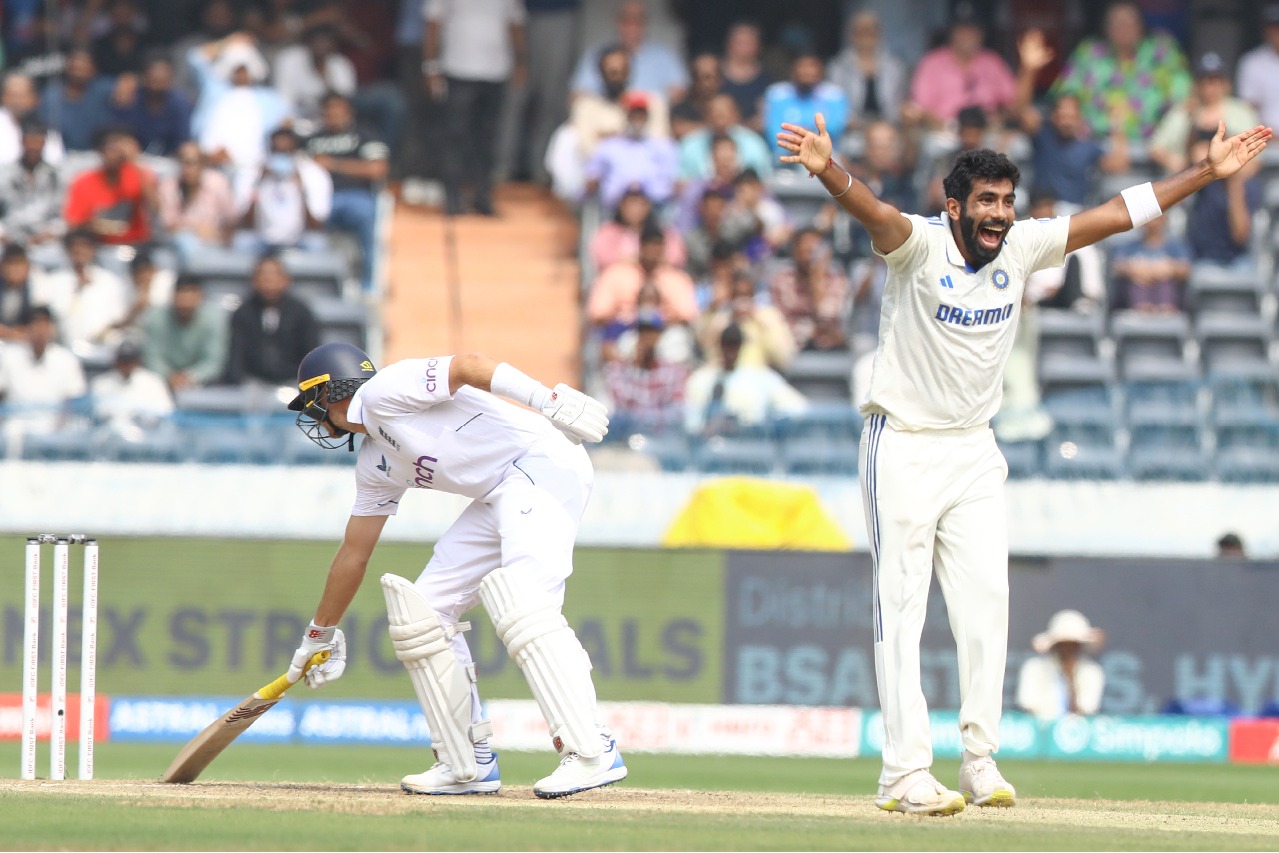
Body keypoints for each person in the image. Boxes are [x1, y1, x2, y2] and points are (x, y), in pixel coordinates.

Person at [776, 109, 1270, 814]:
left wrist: (1205, 173)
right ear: (953, 207)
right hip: (903, 443)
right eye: (985, 201)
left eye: (1006, 202)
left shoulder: (1022, 246)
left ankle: (978, 758)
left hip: (975, 446)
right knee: (901, 606)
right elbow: (873, 210)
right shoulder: (916, 245)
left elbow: (1115, 213)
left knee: (987, 606)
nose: (1000, 215)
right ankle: (903, 773)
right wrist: (827, 168)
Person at [280, 340, 627, 798]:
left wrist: (550, 400)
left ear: (328, 393)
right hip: (499, 492)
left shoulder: (386, 390)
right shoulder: (374, 462)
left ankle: (591, 750)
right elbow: (354, 553)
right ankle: (467, 763)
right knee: (425, 613)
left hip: (543, 465)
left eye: (312, 404)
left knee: (526, 602)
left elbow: (469, 366)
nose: (314, 417)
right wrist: (318, 633)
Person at [423, 0, 527, 217]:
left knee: (487, 138)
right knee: (455, 136)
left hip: (496, 71)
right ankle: (453, 197)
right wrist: (430, 65)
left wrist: (520, 62)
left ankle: (482, 196)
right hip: (457, 69)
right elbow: (433, 23)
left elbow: (515, 23)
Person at [1049, 1, 1190, 142]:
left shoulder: (1162, 50)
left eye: (1129, 22)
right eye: (1116, 23)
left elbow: (1186, 95)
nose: (1123, 28)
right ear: (1106, 27)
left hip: (1154, 146)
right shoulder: (1089, 52)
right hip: (1092, 143)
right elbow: (1065, 93)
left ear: (1140, 25)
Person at [305, 92, 390, 291]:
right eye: (328, 109)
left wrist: (333, 164)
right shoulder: (312, 140)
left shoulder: (365, 135)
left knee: (366, 219)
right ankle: (317, 283)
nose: (333, 113)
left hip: (357, 195)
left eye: (338, 108)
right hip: (321, 199)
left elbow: (378, 169)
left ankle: (369, 285)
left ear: (348, 111)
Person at [683, 323, 806, 437]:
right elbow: (690, 423)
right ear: (719, 345)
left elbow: (798, 408)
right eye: (727, 344)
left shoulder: (760, 377)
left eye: (735, 345)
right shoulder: (701, 380)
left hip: (750, 448)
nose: (731, 351)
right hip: (709, 451)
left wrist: (759, 425)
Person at [905, 5, 1016, 130]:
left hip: (985, 131)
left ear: (981, 33)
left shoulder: (992, 62)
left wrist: (998, 120)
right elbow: (919, 107)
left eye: (972, 30)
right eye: (962, 30)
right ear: (952, 32)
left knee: (1017, 145)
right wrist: (945, 126)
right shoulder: (932, 62)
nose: (967, 36)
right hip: (944, 132)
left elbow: (1013, 103)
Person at [1151, 53, 1260, 176]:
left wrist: (1224, 168)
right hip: (1189, 181)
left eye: (1215, 81)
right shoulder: (1182, 111)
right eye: (1205, 81)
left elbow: (1255, 160)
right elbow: (1156, 147)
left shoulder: (1241, 112)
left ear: (1225, 83)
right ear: (1196, 84)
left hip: (1229, 180)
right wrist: (1181, 164)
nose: (1210, 87)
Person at [223, 254, 320, 386]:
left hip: (293, 381)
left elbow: (311, 352)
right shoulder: (243, 313)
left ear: (286, 280)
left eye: (274, 276)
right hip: (252, 383)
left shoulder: (301, 312)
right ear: (254, 281)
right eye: (263, 276)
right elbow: (236, 355)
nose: (268, 281)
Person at [570, 0, 686, 104]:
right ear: (617, 22)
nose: (632, 25)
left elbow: (679, 97)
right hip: (605, 121)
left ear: (646, 23)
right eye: (626, 19)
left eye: (638, 19)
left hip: (650, 121)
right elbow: (576, 98)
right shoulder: (595, 56)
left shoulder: (665, 57)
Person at [63, 126, 157, 246]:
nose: (115, 155)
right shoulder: (84, 181)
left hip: (135, 244)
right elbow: (73, 223)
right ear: (101, 152)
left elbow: (155, 209)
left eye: (119, 150)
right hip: (99, 245)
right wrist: (92, 224)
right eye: (111, 149)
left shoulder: (138, 175)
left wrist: (134, 162)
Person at [142, 275, 228, 392]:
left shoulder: (213, 319)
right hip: (161, 382)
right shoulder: (155, 318)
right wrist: (169, 376)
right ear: (173, 298)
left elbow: (214, 361)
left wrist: (191, 377)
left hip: (202, 383)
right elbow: (152, 356)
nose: (185, 309)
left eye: (189, 307)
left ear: (200, 298)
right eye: (181, 307)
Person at [1016, 609, 1105, 721]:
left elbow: (1085, 711)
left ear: (1080, 646)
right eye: (1063, 645)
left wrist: (1070, 679)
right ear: (1054, 646)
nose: (1068, 650)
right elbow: (1027, 705)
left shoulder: (1091, 671)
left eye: (1073, 645)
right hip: (1040, 733)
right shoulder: (1034, 668)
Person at [828, 10, 907, 129]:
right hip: (852, 129)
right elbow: (835, 103)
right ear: (851, 34)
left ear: (879, 33)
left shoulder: (894, 67)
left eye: (871, 30)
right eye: (861, 31)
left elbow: (899, 101)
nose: (866, 35)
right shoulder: (838, 67)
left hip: (888, 128)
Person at [106, 55, 193, 157]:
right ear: (144, 77)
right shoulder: (131, 98)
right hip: (133, 159)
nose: (158, 82)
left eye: (163, 78)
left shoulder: (179, 104)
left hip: (169, 160)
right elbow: (117, 132)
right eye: (154, 78)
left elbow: (182, 140)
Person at [1237, 4, 1279, 129]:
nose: (1277, 32)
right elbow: (1248, 109)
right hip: (1266, 139)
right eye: (1274, 27)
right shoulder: (1252, 62)